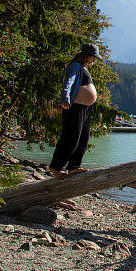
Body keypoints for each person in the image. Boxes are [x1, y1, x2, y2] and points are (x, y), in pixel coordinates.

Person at [48, 43, 102, 179]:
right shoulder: (75, 66)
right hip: (74, 107)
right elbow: (69, 82)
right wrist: (65, 98)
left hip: (86, 108)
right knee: (70, 138)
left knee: (83, 139)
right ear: (85, 55)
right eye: (92, 57)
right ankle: (55, 167)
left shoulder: (83, 68)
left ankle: (73, 166)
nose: (94, 60)